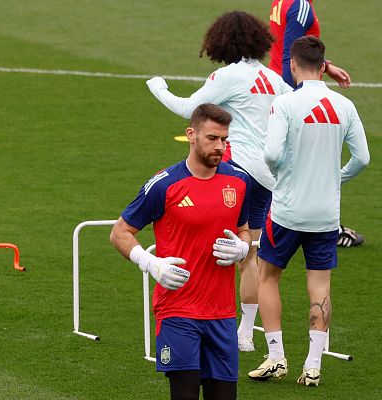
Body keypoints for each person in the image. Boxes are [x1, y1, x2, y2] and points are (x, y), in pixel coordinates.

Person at [145, 11, 289, 353]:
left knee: (212, 249)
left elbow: (188, 109)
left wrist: (158, 87)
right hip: (268, 176)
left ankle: (204, 317)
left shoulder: (228, 75)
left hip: (235, 171)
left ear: (221, 41)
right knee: (249, 253)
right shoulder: (273, 79)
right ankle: (245, 332)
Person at [248, 36, 369, 387]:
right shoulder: (344, 105)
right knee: (320, 285)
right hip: (326, 214)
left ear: (293, 65)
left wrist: (282, 173)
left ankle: (275, 357)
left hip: (287, 211)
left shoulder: (285, 103)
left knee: (268, 276)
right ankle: (313, 365)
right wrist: (336, 179)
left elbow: (270, 154)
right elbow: (362, 158)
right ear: (324, 65)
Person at [111, 104, 252, 400]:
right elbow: (120, 232)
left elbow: (243, 229)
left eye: (224, 139)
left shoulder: (239, 181)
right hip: (178, 312)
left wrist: (243, 247)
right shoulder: (165, 185)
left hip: (222, 314)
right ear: (191, 134)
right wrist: (150, 262)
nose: (220, 146)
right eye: (212, 138)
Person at [268, 0, 364, 247]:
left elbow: (292, 49)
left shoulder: (283, 1)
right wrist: (299, 96)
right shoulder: (300, 5)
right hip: (291, 93)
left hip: (283, 89)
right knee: (310, 160)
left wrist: (325, 65)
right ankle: (323, 228)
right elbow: (291, 53)